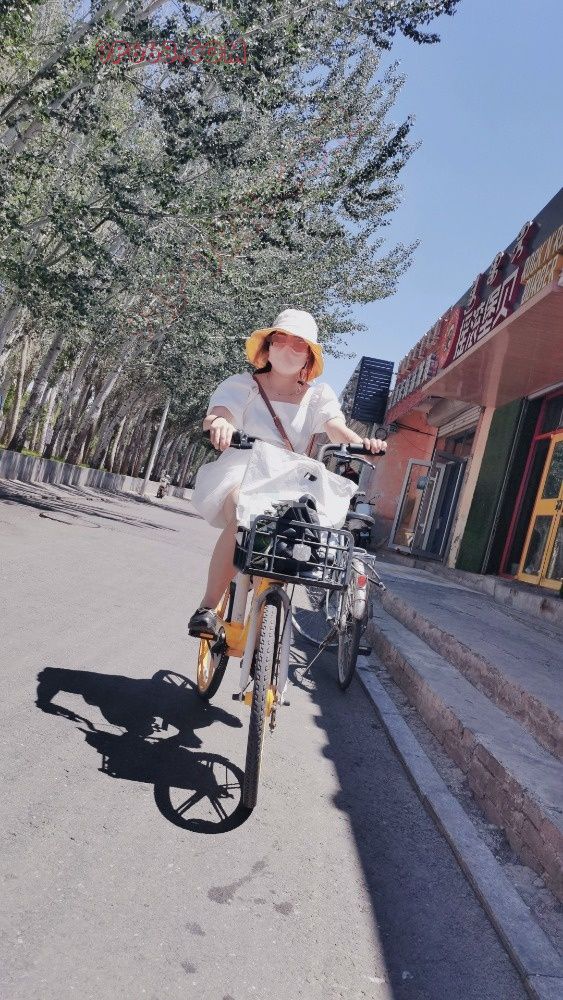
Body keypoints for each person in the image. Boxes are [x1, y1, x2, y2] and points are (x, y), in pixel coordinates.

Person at [187, 308, 388, 638]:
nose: (288, 348)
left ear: (309, 356)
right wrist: (220, 423)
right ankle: (207, 608)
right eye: (280, 340)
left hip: (291, 478)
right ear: (267, 347)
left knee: (301, 530)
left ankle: (255, 595)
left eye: (299, 344)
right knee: (244, 511)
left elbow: (335, 428)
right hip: (244, 469)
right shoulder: (243, 385)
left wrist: (362, 444)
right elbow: (220, 413)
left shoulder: (318, 396)